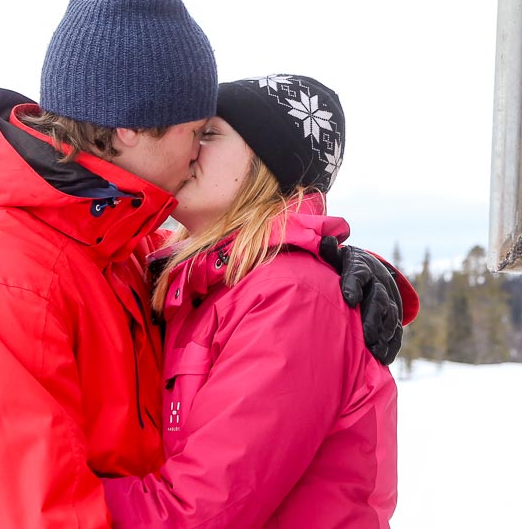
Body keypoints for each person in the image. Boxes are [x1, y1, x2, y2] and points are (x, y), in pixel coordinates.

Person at [0, 0, 406, 528]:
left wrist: (326, 261)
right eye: (194, 129)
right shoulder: (2, 284)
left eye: (213, 132)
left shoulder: (121, 246)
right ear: (131, 128)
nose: (194, 150)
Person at [102, 74, 415, 527]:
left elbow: (199, 512)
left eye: (207, 134)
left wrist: (26, 494)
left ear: (267, 166)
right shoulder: (201, 287)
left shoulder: (290, 297)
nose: (186, 148)